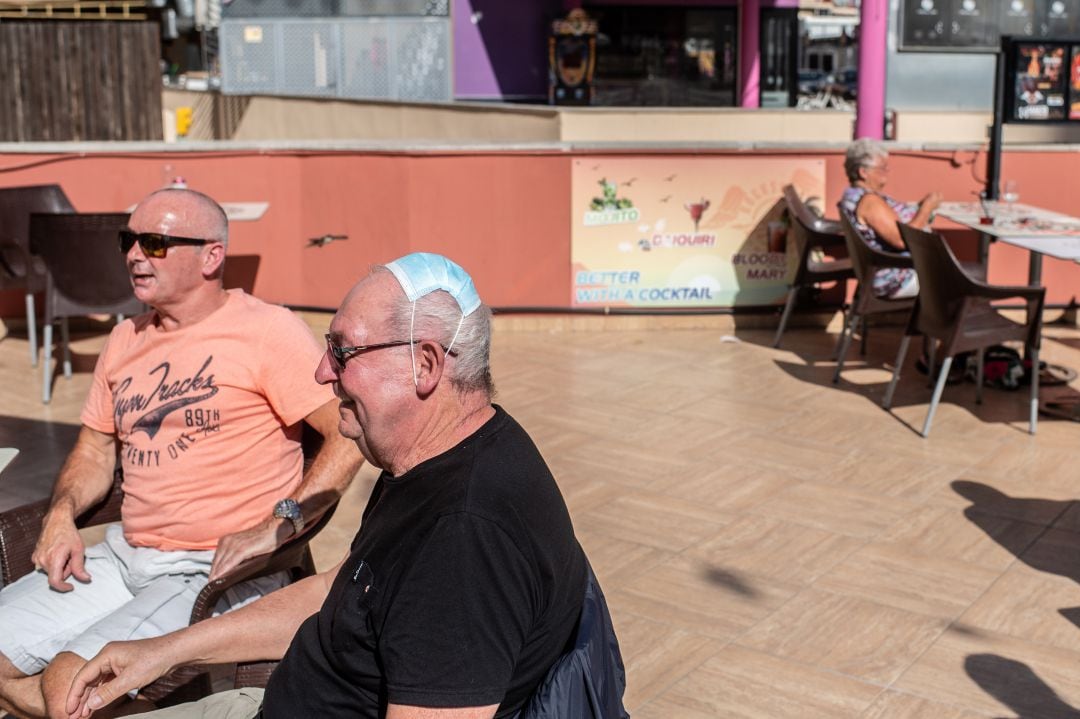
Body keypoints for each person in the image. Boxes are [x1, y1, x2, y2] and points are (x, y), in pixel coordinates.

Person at [64, 253, 596, 719]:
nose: (322, 372)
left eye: (343, 351)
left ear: (425, 363)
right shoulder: (435, 456)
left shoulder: (464, 539)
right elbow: (344, 593)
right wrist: (164, 651)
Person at [0, 188, 363, 719]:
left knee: (69, 690)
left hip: (211, 572)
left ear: (212, 255)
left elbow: (346, 433)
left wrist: (282, 521)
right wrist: (60, 515)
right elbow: (97, 447)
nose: (133, 255)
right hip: (123, 557)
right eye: (129, 240)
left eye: (155, 242)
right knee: (52, 691)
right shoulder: (125, 339)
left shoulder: (265, 331)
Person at [839, 137, 942, 299]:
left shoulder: (853, 195)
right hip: (895, 278)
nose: (887, 172)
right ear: (863, 172)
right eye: (882, 168)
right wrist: (926, 209)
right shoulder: (869, 202)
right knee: (960, 280)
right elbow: (903, 240)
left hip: (888, 271)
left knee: (958, 274)